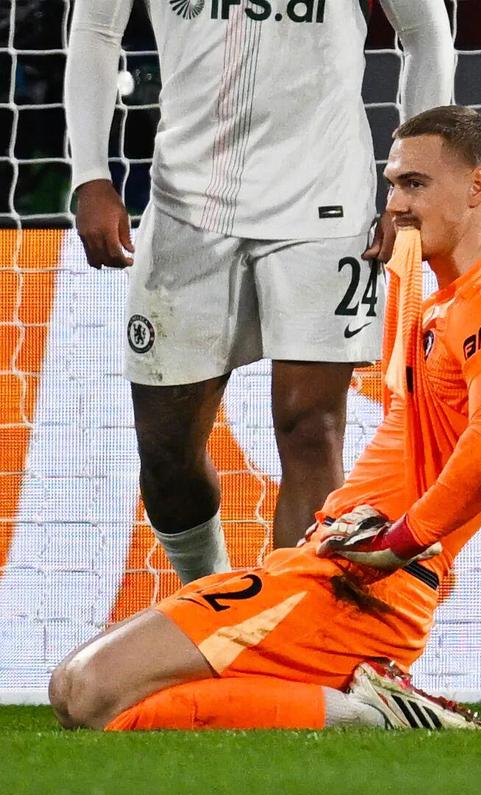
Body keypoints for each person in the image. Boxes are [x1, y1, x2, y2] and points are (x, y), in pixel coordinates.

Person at [49, 106, 481, 732]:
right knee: (73, 688)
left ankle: (373, 716)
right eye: (392, 185)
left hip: (362, 587)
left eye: (415, 184)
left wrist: (400, 541)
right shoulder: (439, 299)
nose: (396, 204)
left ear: (479, 186)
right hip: (327, 563)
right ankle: (361, 703)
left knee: (91, 694)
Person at [64, 0, 455, 584]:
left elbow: (426, 31)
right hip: (187, 211)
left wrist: (414, 185)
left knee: (312, 428)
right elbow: (96, 30)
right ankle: (208, 598)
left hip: (325, 205)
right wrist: (90, 174)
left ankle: (289, 618)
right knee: (167, 454)